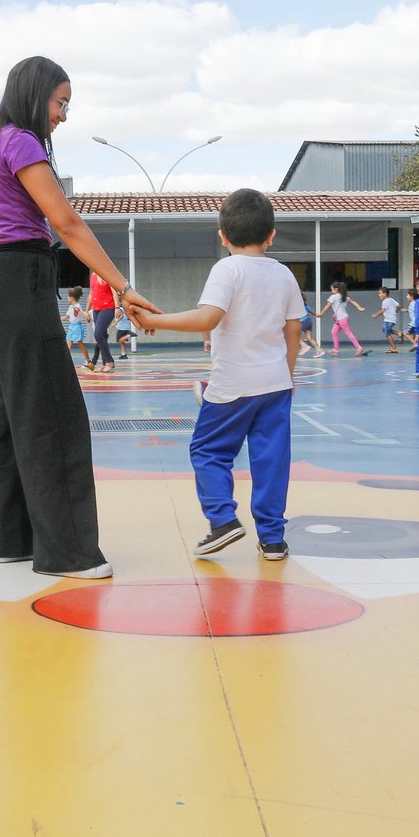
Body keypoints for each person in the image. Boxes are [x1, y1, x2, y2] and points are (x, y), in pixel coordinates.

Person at [0, 55, 156, 580]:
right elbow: (66, 222)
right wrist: (123, 287)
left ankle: (13, 541)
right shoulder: (20, 141)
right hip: (18, 282)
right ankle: (67, 553)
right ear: (34, 94)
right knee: (53, 418)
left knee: (10, 418)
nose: (63, 115)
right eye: (60, 102)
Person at [131, 189, 302, 561]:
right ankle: (273, 540)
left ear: (222, 236)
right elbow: (293, 331)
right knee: (271, 460)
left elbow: (209, 317)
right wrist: (286, 377)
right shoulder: (284, 274)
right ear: (272, 234)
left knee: (208, 451)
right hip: (275, 384)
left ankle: (223, 520)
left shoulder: (227, 268)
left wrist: (154, 319)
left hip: (233, 385)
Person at [324, 281, 368, 355]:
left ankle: (358, 347)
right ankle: (336, 349)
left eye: (332, 289)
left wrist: (321, 313)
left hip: (341, 318)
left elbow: (327, 306)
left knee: (348, 332)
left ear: (336, 289)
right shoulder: (344, 296)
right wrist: (359, 307)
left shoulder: (333, 297)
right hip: (342, 318)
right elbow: (353, 302)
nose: (331, 291)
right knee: (334, 332)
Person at [85, 271, 117, 373]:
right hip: (96, 309)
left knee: (98, 334)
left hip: (108, 308)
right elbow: (91, 294)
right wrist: (87, 310)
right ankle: (105, 363)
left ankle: (109, 362)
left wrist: (117, 307)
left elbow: (114, 291)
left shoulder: (107, 274)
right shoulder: (93, 275)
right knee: (102, 336)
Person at [62, 287, 91, 367]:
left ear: (71, 297)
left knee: (80, 344)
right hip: (71, 327)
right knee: (68, 344)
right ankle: (64, 361)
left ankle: (88, 360)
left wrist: (76, 311)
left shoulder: (77, 306)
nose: (67, 297)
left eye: (68, 296)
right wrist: (57, 319)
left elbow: (76, 314)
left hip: (77, 327)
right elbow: (66, 317)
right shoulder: (70, 307)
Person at [298, 292, 326, 357]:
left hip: (302, 321)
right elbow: (313, 312)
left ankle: (304, 345)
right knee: (309, 337)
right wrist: (318, 315)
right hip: (308, 321)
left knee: (294, 334)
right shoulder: (306, 305)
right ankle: (320, 350)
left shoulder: (297, 306)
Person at [377, 287, 402, 353]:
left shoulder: (385, 301)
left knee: (387, 333)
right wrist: (395, 311)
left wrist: (375, 315)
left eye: (380, 293)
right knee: (384, 329)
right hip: (388, 319)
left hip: (390, 319)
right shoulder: (391, 299)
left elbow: (383, 310)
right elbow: (399, 306)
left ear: (385, 294)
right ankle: (398, 333)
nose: (379, 294)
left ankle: (394, 348)